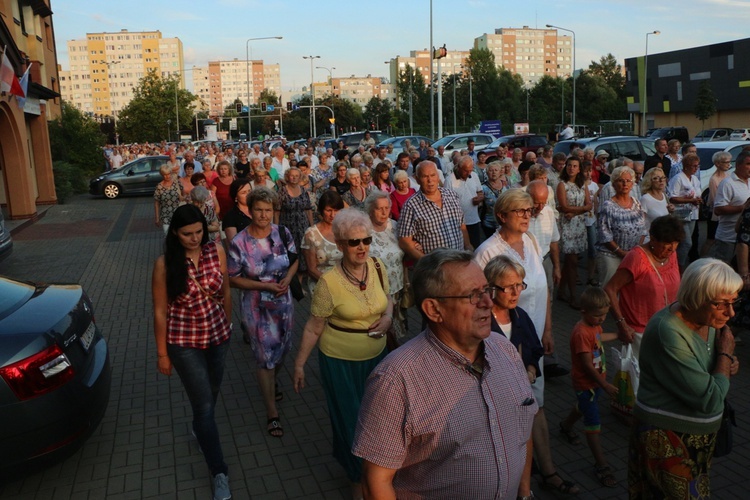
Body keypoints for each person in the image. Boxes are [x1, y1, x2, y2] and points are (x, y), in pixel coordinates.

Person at [352, 250, 537, 499]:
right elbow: (376, 481)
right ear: (434, 309)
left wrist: (524, 494)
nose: (488, 303)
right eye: (473, 295)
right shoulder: (394, 380)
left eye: (486, 290)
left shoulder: (506, 351)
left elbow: (522, 433)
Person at [474, 189, 579, 495]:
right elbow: (478, 303)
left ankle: (547, 472)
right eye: (519, 211)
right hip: (500, 342)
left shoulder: (532, 242)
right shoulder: (486, 252)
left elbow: (542, 289)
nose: (526, 216)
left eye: (529, 211)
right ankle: (510, 480)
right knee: (507, 412)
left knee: (537, 405)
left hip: (530, 342)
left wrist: (547, 330)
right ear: (502, 215)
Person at [294, 209, 393, 499]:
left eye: (365, 240)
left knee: (378, 425)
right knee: (351, 426)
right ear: (340, 245)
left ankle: (374, 476)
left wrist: (387, 319)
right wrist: (299, 364)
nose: (361, 247)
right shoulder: (328, 283)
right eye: (353, 242)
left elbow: (388, 301)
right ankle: (356, 483)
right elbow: (314, 327)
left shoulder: (377, 267)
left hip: (376, 360)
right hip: (340, 363)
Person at [629, 258, 741, 498]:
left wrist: (726, 363)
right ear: (697, 297)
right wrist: (725, 354)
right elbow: (710, 399)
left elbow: (713, 367)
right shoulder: (668, 331)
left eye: (733, 302)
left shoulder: (709, 319)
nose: (730, 313)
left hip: (696, 439)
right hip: (668, 440)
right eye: (722, 304)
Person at [151, 204, 233, 500]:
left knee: (211, 395)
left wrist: (229, 324)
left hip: (218, 338)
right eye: (187, 233)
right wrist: (162, 354)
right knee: (204, 407)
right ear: (175, 233)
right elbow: (160, 311)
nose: (195, 238)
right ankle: (219, 471)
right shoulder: (165, 264)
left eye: (199, 231)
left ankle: (201, 430)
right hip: (184, 343)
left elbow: (225, 291)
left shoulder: (217, 251)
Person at [228, 187, 297, 439]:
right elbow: (233, 279)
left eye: (268, 210)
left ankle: (272, 381)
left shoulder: (282, 232)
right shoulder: (240, 242)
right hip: (256, 307)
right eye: (259, 209)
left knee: (283, 351)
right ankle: (272, 413)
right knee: (264, 356)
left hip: (283, 304)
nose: (264, 214)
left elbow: (295, 258)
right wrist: (264, 286)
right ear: (251, 209)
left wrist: (288, 278)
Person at [559, 287, 619, 488]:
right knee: (593, 423)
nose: (602, 319)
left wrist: (619, 335)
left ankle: (565, 426)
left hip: (596, 384)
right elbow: (585, 363)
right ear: (583, 311)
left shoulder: (594, 327)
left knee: (584, 406)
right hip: (587, 384)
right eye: (597, 316)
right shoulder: (581, 332)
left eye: (604, 315)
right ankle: (601, 464)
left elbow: (600, 338)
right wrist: (605, 384)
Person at [604, 215, 684, 357]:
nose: (672, 248)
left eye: (675, 242)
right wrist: (621, 324)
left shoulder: (671, 254)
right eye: (667, 243)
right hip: (641, 334)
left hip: (668, 328)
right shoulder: (636, 258)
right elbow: (610, 289)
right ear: (652, 239)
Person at [485, 254, 545, 386]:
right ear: (491, 288)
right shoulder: (481, 323)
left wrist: (530, 370)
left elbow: (535, 350)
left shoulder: (521, 316)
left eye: (519, 285)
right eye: (508, 287)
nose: (516, 292)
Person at [398, 161, 472, 260]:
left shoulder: (452, 196)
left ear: (438, 176)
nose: (430, 180)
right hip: (435, 269)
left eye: (433, 175)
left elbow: (462, 225)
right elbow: (405, 242)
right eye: (425, 176)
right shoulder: (410, 206)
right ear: (417, 179)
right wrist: (428, 264)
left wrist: (468, 247)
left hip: (459, 262)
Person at [365, 191, 407, 343]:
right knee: (381, 331)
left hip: (398, 288)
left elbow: (405, 249)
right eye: (379, 208)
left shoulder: (395, 226)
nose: (384, 212)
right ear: (370, 210)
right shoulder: (364, 231)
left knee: (397, 331)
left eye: (387, 207)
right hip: (376, 292)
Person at [597, 166, 646, 286]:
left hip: (632, 255)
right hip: (611, 256)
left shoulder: (636, 203)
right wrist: (622, 253)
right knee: (609, 290)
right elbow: (604, 235)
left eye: (628, 181)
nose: (625, 183)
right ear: (614, 184)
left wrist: (635, 251)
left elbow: (643, 229)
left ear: (632, 184)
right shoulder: (608, 206)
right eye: (620, 180)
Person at [557, 156, 592, 308]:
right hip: (567, 225)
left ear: (579, 169)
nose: (571, 168)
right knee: (572, 262)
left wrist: (577, 212)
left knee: (572, 261)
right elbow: (564, 207)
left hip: (579, 224)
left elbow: (589, 204)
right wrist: (582, 209)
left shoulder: (582, 184)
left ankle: (561, 291)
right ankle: (572, 296)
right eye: (569, 165)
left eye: (575, 166)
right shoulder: (562, 185)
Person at [302, 191, 345, 295]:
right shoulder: (311, 234)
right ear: (321, 210)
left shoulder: (344, 230)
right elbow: (311, 269)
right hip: (321, 287)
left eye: (336, 210)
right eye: (328, 210)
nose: (332, 215)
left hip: (345, 286)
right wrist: (333, 284)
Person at [711, 150, 750, 263]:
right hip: (728, 238)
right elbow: (718, 209)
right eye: (748, 164)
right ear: (738, 165)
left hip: (745, 239)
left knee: (742, 274)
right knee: (722, 272)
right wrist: (743, 208)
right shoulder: (727, 183)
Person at [275, 167, 314, 278]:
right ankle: (291, 279)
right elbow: (277, 212)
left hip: (302, 225)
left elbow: (308, 209)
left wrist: (311, 227)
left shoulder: (303, 190)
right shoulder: (282, 191)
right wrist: (277, 229)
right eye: (292, 175)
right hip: (288, 226)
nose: (294, 178)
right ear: (287, 177)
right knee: (290, 251)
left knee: (304, 251)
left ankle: (301, 280)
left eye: (297, 176)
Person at [667, 152, 702, 270]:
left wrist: (698, 200)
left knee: (685, 242)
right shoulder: (678, 178)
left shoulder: (695, 179)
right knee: (687, 243)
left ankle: (676, 264)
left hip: (692, 214)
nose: (696, 168)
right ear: (686, 166)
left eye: (697, 166)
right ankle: (678, 266)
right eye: (694, 166)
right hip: (680, 214)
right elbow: (672, 197)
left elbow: (697, 193)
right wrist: (689, 200)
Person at [445, 156, 485, 249]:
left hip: (474, 220)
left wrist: (479, 198)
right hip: (458, 224)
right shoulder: (449, 180)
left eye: (470, 170)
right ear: (459, 167)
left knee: (476, 248)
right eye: (466, 170)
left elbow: (480, 192)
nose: (469, 173)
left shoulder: (474, 175)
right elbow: (446, 203)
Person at [702, 151, 733, 256]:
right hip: (716, 214)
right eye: (725, 162)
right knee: (711, 239)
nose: (728, 164)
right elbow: (715, 199)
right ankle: (701, 259)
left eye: (729, 162)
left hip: (727, 211)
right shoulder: (714, 179)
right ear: (717, 164)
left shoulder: (728, 175)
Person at [639, 167, 671, 242]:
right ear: (649, 181)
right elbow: (640, 225)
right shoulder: (645, 199)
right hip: (650, 240)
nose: (661, 181)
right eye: (656, 178)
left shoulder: (664, 195)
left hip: (664, 238)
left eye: (663, 177)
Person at [154, 164, 184, 234]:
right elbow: (156, 203)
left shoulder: (177, 183)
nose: (167, 176)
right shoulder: (159, 187)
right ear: (162, 175)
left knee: (179, 236)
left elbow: (183, 195)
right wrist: (157, 218)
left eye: (168, 174)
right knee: (167, 236)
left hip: (178, 214)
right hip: (165, 215)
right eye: (165, 174)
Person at [221, 179, 252, 245]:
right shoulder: (230, 217)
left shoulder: (258, 210)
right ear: (236, 197)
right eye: (243, 192)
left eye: (249, 191)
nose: (248, 195)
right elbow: (234, 243)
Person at [480, 161, 506, 237]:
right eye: (491, 171)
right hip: (489, 224)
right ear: (487, 173)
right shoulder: (483, 188)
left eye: (496, 170)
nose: (493, 173)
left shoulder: (505, 184)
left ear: (500, 172)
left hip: (505, 223)